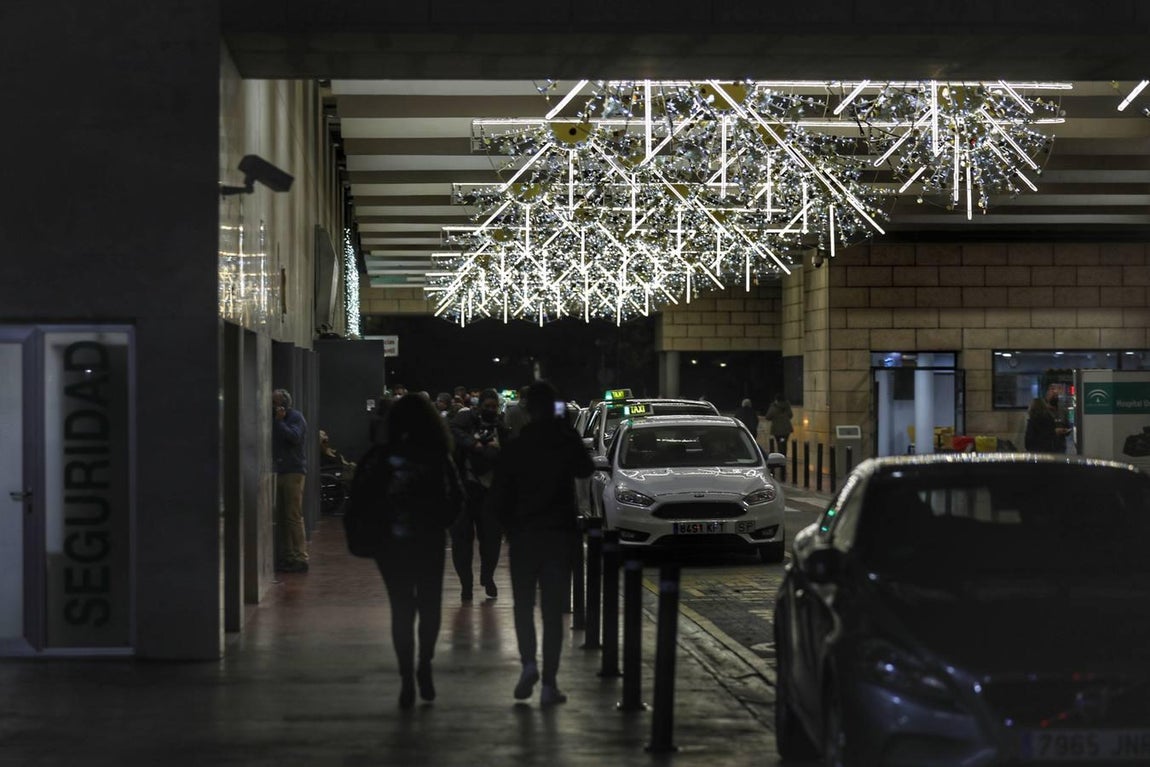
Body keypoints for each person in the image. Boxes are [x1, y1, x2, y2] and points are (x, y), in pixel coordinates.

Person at [488, 380, 594, 706]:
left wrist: (510, 526)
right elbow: (585, 468)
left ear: (528, 410)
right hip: (558, 536)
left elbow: (499, 497)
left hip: (523, 537)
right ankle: (549, 683)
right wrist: (569, 434)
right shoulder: (564, 440)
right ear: (554, 407)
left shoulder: (517, 446)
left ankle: (528, 665)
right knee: (552, 612)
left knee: (522, 605)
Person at [370, 394, 464, 708]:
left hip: (391, 542)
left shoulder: (383, 455)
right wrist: (441, 523)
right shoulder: (438, 454)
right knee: (429, 605)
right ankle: (425, 662)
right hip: (429, 540)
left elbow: (366, 496)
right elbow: (456, 496)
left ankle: (406, 677)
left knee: (401, 608)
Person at [449, 388, 507, 600]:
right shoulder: (465, 419)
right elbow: (453, 429)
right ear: (479, 406)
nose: (491, 410)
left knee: (491, 540)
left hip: (490, 493)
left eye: (494, 407)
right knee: (461, 542)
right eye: (487, 407)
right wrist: (475, 444)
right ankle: (466, 584)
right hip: (464, 491)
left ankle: (487, 576)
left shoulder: (500, 427)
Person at [273, 388, 310, 573]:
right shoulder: (278, 420)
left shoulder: (296, 417)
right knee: (282, 515)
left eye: (274, 403)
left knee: (293, 515)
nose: (272, 406)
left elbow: (294, 437)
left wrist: (280, 423)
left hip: (293, 471)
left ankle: (300, 556)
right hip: (280, 471)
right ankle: (288, 555)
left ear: (282, 405)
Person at [1025, 385, 1069, 453]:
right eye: (1052, 389)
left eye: (1057, 390)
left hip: (1058, 447)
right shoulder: (1043, 416)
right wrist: (1054, 432)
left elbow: (1067, 425)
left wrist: (1064, 430)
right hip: (1047, 450)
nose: (1055, 392)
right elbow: (1038, 436)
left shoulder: (1062, 411)